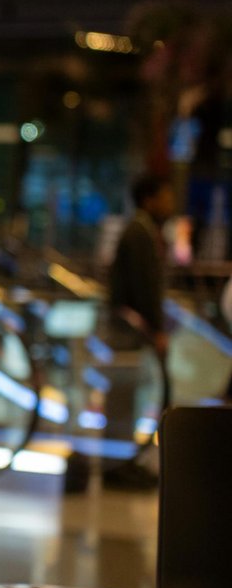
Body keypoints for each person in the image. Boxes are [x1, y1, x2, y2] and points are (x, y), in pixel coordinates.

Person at [104, 173, 173, 486]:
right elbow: (144, 286)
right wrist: (156, 329)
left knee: (127, 396)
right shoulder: (139, 232)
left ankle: (122, 459)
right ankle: (116, 463)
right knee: (122, 395)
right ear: (149, 198)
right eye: (165, 194)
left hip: (130, 329)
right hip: (128, 329)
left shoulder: (142, 231)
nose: (170, 201)